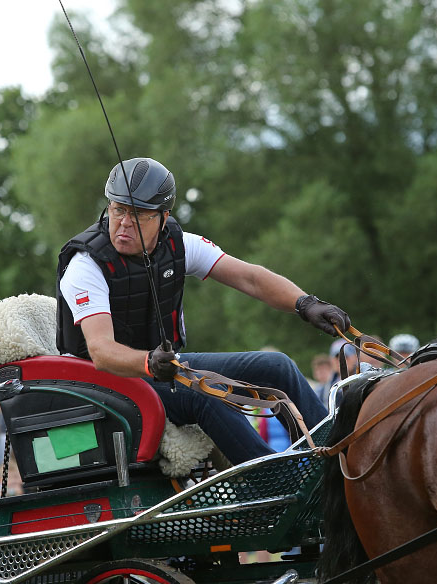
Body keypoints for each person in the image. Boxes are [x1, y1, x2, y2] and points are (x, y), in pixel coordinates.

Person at [56, 158, 351, 464]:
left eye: (138, 213)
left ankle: (334, 460)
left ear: (162, 216)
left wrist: (305, 303)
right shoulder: (86, 265)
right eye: (118, 209)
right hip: (100, 385)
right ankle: (273, 479)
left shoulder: (180, 245)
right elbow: (101, 351)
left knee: (276, 367)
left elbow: (250, 278)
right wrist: (148, 363)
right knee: (203, 393)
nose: (124, 223)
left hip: (160, 369)